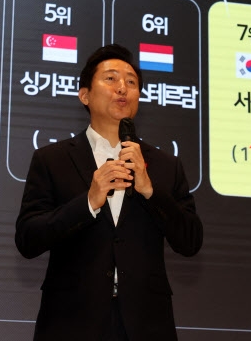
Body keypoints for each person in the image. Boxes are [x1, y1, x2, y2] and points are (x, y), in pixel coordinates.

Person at [15, 43, 203, 341]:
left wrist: (150, 191)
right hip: (72, 322)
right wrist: (88, 202)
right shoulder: (52, 159)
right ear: (85, 95)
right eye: (111, 79)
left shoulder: (166, 166)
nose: (122, 88)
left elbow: (190, 241)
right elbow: (28, 239)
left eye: (131, 82)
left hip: (146, 324)